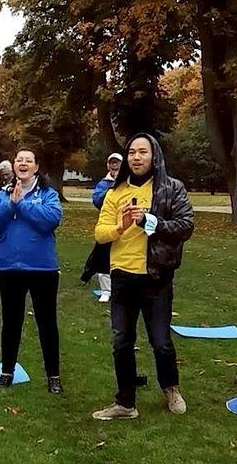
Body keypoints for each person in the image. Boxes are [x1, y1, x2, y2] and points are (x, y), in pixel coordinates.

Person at [89, 135, 194, 420]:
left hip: (156, 275)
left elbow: (185, 226)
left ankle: (171, 388)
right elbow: (100, 233)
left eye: (142, 152)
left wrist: (153, 222)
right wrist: (121, 227)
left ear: (154, 155)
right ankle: (125, 403)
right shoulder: (115, 192)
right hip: (122, 275)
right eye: (132, 152)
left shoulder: (171, 188)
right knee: (121, 340)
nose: (136, 157)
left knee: (160, 340)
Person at [0, 148, 64, 393]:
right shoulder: (2, 195)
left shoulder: (47, 194)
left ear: (36, 167)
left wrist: (21, 205)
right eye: (19, 160)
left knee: (47, 322)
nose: (23, 164)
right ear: (13, 166)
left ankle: (53, 376)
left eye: (28, 160)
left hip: (42, 267)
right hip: (9, 267)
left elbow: (50, 219)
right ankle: (7, 372)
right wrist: (9, 206)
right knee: (11, 322)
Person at [82, 152, 123, 303]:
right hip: (106, 225)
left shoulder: (128, 182)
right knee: (102, 259)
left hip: (125, 226)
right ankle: (106, 290)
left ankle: (120, 288)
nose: (114, 166)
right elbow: (97, 201)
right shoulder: (103, 184)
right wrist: (111, 188)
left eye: (117, 163)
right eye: (111, 163)